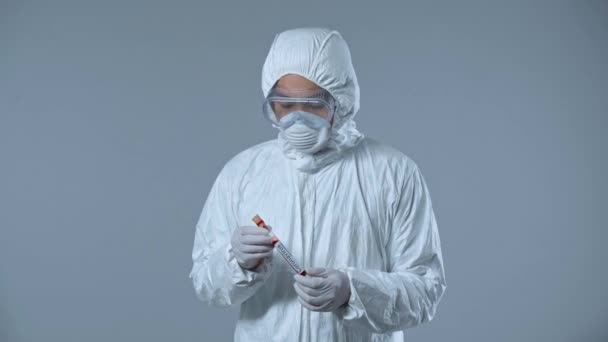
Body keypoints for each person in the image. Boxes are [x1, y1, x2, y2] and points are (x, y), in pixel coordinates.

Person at [189, 27, 447, 341]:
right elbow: (206, 284)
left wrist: (352, 290)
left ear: (342, 99)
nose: (297, 119)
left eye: (313, 105)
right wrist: (236, 262)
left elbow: (425, 290)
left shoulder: (394, 173)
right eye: (284, 105)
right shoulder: (243, 172)